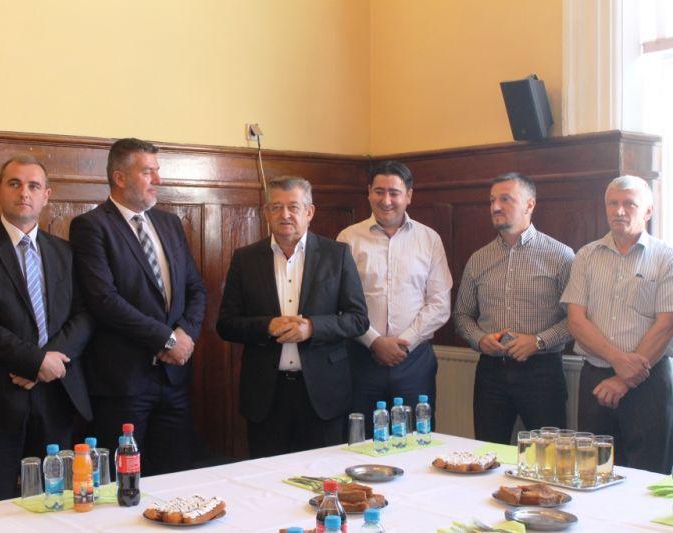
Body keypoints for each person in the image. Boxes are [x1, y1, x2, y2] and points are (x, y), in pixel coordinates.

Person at [0, 155, 94, 502]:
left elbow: (84, 315)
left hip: (57, 394)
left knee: (56, 502)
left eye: (33, 185)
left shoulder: (65, 252)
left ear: (46, 195)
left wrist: (47, 363)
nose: (24, 192)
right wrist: (33, 361)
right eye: (14, 183)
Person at [69, 138, 206, 475]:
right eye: (147, 172)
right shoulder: (92, 226)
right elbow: (104, 300)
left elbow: (195, 288)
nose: (157, 179)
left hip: (174, 379)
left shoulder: (169, 223)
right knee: (123, 484)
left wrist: (185, 335)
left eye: (157, 171)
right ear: (119, 177)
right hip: (124, 383)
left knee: (177, 477)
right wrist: (166, 340)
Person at [217, 176, 368, 458]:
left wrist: (313, 328)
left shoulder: (336, 255)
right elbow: (226, 324)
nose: (284, 215)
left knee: (324, 477)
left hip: (323, 393)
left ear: (309, 212)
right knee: (266, 477)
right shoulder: (246, 259)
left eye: (293, 207)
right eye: (276, 207)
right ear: (266, 213)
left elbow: (358, 319)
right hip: (266, 395)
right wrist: (266, 326)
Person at [561, 175, 673, 474]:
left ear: (648, 211)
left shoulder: (667, 257)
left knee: (648, 478)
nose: (619, 211)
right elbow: (576, 320)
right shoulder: (586, 256)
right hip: (595, 380)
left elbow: (666, 324)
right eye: (613, 203)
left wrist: (624, 379)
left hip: (650, 383)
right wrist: (618, 361)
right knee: (593, 473)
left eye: (629, 204)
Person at [453, 173, 574, 444]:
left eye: (505, 199)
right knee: (488, 453)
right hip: (491, 372)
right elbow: (461, 315)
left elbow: (577, 320)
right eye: (492, 200)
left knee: (548, 456)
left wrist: (539, 341)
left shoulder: (561, 256)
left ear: (530, 204)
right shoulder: (478, 259)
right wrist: (479, 339)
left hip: (543, 372)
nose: (495, 207)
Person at [337, 161, 451, 425]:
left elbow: (439, 303)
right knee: (362, 439)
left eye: (394, 193)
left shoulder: (429, 239)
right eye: (379, 191)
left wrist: (403, 343)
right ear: (369, 193)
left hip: (415, 361)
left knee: (416, 437)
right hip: (361, 358)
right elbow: (340, 302)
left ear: (408, 195)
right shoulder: (348, 239)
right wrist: (375, 342)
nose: (386, 200)